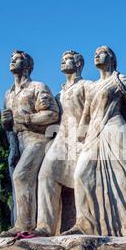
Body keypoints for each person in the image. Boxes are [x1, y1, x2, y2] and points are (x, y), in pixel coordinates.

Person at [63, 46, 126, 237]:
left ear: (111, 58)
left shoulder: (120, 79)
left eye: (101, 52)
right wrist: (78, 139)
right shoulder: (92, 86)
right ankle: (84, 223)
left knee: (123, 175)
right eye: (95, 52)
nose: (96, 54)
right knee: (81, 175)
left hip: (115, 129)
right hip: (93, 133)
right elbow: (86, 115)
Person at [0, 50, 60, 237]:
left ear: (28, 66)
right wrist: (6, 123)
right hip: (19, 142)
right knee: (18, 177)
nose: (12, 61)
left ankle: (24, 225)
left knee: (21, 175)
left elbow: (52, 114)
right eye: (11, 58)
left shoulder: (37, 87)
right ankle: (22, 221)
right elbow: (9, 126)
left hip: (38, 139)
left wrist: (26, 118)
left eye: (17, 59)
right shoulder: (8, 94)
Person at [33, 50, 92, 236]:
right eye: (62, 59)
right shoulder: (59, 93)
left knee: (81, 178)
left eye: (67, 59)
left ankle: (84, 223)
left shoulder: (87, 85)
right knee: (46, 175)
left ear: (79, 63)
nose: (63, 62)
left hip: (83, 138)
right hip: (61, 139)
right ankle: (45, 226)